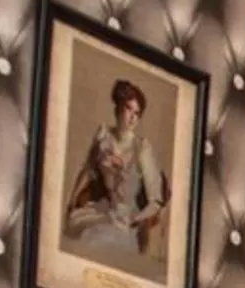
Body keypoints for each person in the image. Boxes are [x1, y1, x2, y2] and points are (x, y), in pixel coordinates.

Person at [64, 78, 170, 266]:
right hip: (104, 210)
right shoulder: (103, 135)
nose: (133, 118)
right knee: (74, 229)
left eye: (137, 113)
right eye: (129, 109)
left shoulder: (141, 148)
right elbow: (88, 171)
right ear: (119, 108)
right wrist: (71, 202)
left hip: (125, 220)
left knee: (93, 241)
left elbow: (156, 201)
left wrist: (134, 219)